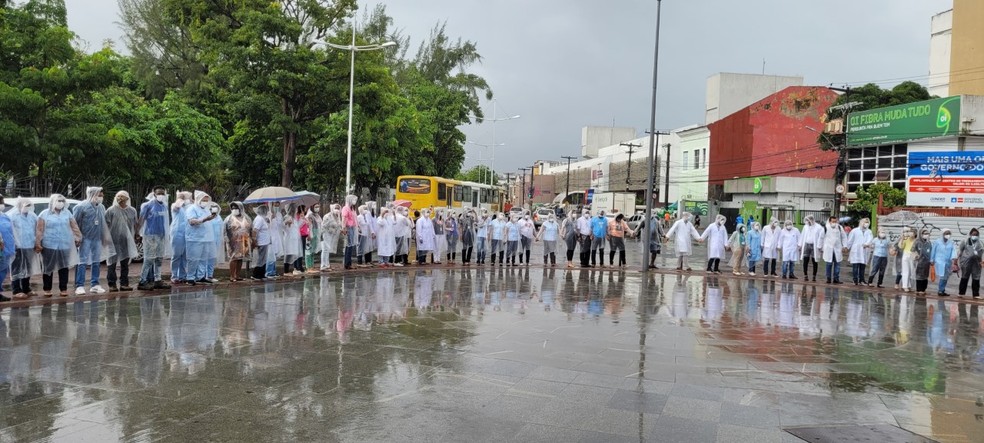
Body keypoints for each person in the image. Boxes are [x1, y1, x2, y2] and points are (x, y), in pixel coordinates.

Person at [36, 194, 81, 297]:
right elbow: (39, 230)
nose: (60, 203)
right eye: (58, 201)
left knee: (64, 267)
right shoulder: (44, 214)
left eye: (62, 201)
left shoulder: (67, 213)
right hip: (49, 244)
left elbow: (74, 226)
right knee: (48, 267)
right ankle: (47, 289)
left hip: (64, 244)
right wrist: (38, 243)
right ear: (53, 201)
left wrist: (78, 237)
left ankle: (63, 288)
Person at [73, 186, 110, 295]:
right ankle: (79, 285)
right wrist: (77, 237)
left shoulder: (101, 207)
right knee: (82, 262)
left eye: (102, 196)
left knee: (96, 261)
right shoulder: (81, 207)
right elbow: (75, 224)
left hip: (97, 238)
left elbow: (103, 223)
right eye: (99, 195)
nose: (101, 198)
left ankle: (95, 284)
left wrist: (105, 237)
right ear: (92, 195)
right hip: (85, 239)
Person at [137, 186, 171, 291]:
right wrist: (137, 233)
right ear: (154, 194)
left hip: (161, 235)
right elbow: (141, 219)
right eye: (158, 193)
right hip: (150, 235)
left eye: (162, 193)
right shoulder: (147, 205)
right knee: (149, 259)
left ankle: (158, 279)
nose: (161, 195)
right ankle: (142, 281)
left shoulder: (164, 206)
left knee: (159, 258)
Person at [105, 191, 139, 292]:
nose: (121, 199)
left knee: (125, 263)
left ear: (127, 199)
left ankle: (124, 284)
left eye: (123, 197)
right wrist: (105, 238)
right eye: (119, 197)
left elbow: (135, 224)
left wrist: (137, 235)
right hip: (113, 240)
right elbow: (106, 225)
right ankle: (112, 284)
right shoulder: (111, 210)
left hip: (126, 240)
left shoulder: (132, 211)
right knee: (112, 263)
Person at [6, 198, 40, 299]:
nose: (27, 207)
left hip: (29, 245)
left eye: (29, 205)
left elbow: (36, 230)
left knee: (27, 268)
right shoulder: (12, 216)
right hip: (17, 246)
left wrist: (36, 243)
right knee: (16, 268)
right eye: (26, 205)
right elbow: (10, 231)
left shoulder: (33, 216)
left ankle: (26, 288)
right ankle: (16, 289)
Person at [184, 191, 218, 285]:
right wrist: (204, 219)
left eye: (207, 200)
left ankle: (200, 276)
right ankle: (190, 277)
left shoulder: (206, 209)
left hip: (206, 238)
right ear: (198, 200)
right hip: (195, 238)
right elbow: (191, 222)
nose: (205, 202)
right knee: (193, 258)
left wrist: (210, 217)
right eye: (203, 200)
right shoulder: (192, 209)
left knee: (203, 259)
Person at [224, 201, 252, 282]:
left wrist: (251, 239)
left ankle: (237, 275)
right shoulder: (228, 218)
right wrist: (227, 239)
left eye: (236, 208)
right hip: (233, 241)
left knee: (240, 258)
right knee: (233, 258)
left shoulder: (246, 217)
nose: (234, 210)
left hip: (245, 240)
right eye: (232, 208)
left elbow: (250, 228)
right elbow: (224, 230)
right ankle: (232, 276)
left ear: (240, 208)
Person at [170, 190, 193, 283]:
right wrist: (180, 198)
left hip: (187, 234)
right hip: (177, 233)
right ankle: (174, 276)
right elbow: (177, 206)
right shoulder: (175, 206)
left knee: (184, 256)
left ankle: (182, 275)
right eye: (187, 198)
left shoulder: (189, 208)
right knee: (176, 255)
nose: (189, 200)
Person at [956, 228, 984, 298]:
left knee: (976, 277)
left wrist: (981, 261)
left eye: (976, 234)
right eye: (973, 234)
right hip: (966, 263)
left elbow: (981, 252)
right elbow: (960, 250)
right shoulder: (965, 241)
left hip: (976, 263)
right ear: (970, 234)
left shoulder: (980, 243)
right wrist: (956, 260)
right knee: (964, 277)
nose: (975, 236)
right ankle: (961, 293)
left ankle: (976, 294)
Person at [846, 218, 873, 285]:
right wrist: (847, 247)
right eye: (865, 222)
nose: (866, 224)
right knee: (855, 266)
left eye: (867, 222)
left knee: (862, 267)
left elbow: (870, 239)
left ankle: (862, 280)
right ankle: (855, 280)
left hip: (865, 250)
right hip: (856, 250)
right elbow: (850, 240)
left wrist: (867, 244)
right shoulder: (855, 231)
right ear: (861, 222)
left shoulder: (869, 231)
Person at [820, 216, 847, 284]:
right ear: (829, 221)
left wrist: (845, 246)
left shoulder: (839, 227)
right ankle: (828, 278)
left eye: (835, 221)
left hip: (837, 248)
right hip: (828, 248)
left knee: (837, 264)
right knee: (829, 264)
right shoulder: (826, 228)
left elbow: (844, 237)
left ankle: (836, 278)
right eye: (833, 221)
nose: (834, 223)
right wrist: (820, 247)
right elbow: (821, 238)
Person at [930, 228, 957, 296]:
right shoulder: (937, 242)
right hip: (939, 261)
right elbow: (933, 251)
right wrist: (932, 259)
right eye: (946, 233)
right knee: (942, 276)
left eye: (949, 233)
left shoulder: (951, 242)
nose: (948, 235)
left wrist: (953, 259)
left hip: (948, 262)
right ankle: (940, 290)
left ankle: (942, 290)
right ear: (943, 234)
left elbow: (953, 251)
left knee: (945, 276)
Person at [0, 195, 15, 302]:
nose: (2, 204)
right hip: (1, 248)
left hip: (6, 249)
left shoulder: (4, 216)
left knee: (3, 271)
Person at [799, 216, 823, 282]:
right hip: (806, 244)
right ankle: (805, 275)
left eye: (808, 221)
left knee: (814, 261)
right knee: (805, 260)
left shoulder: (819, 227)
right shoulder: (805, 227)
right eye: (806, 221)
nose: (807, 222)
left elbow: (821, 237)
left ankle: (814, 276)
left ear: (812, 220)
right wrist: (800, 245)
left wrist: (821, 246)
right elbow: (802, 235)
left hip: (815, 246)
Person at [282, 203, 303, 275]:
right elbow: (283, 227)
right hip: (289, 239)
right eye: (295, 208)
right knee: (288, 254)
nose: (296, 210)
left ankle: (295, 269)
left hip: (295, 239)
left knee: (295, 253)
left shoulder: (294, 218)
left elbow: (297, 227)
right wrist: (286, 223)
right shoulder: (286, 217)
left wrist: (301, 219)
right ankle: (286, 271)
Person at [251, 205, 271, 279]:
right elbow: (255, 230)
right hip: (261, 242)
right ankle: (256, 274)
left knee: (263, 258)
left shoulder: (262, 219)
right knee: (260, 258)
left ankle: (262, 274)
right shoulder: (259, 219)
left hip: (265, 241)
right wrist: (254, 240)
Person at [321, 204, 342, 271]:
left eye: (338, 208)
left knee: (328, 250)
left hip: (332, 235)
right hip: (326, 234)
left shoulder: (337, 217)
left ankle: (327, 265)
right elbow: (323, 226)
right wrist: (330, 228)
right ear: (332, 208)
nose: (337, 210)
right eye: (336, 208)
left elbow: (338, 225)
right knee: (325, 250)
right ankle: (323, 266)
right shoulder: (328, 216)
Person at [912, 229, 933, 295]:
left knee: (925, 275)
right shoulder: (917, 242)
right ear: (921, 234)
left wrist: (932, 260)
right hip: (919, 262)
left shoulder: (928, 242)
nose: (926, 235)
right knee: (919, 275)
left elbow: (931, 251)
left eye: (927, 233)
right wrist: (916, 256)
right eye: (924, 233)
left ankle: (923, 289)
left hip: (927, 262)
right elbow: (912, 250)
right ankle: (919, 289)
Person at [341, 195, 358, 270]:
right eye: (353, 199)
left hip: (352, 227)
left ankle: (348, 263)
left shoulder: (352, 208)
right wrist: (343, 228)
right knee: (349, 245)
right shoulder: (346, 208)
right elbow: (344, 218)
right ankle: (347, 263)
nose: (354, 201)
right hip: (348, 227)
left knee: (350, 245)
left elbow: (355, 219)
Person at [305, 204, 321, 273]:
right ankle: (308, 267)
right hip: (311, 233)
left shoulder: (316, 215)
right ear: (312, 207)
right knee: (309, 251)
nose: (317, 208)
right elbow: (309, 226)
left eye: (318, 206)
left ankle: (312, 266)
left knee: (313, 250)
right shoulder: (309, 215)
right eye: (315, 207)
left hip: (316, 233)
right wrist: (309, 235)